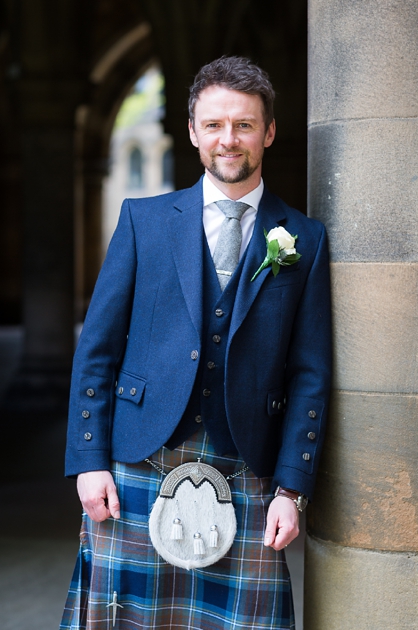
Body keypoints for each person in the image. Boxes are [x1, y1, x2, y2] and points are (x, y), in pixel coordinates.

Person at [61, 56, 330, 629]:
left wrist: (293, 488)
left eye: (244, 125)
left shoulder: (304, 238)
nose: (228, 140)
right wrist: (89, 460)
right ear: (192, 131)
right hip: (138, 455)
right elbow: (98, 350)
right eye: (214, 125)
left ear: (269, 132)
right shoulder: (144, 220)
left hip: (247, 464)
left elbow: (309, 372)